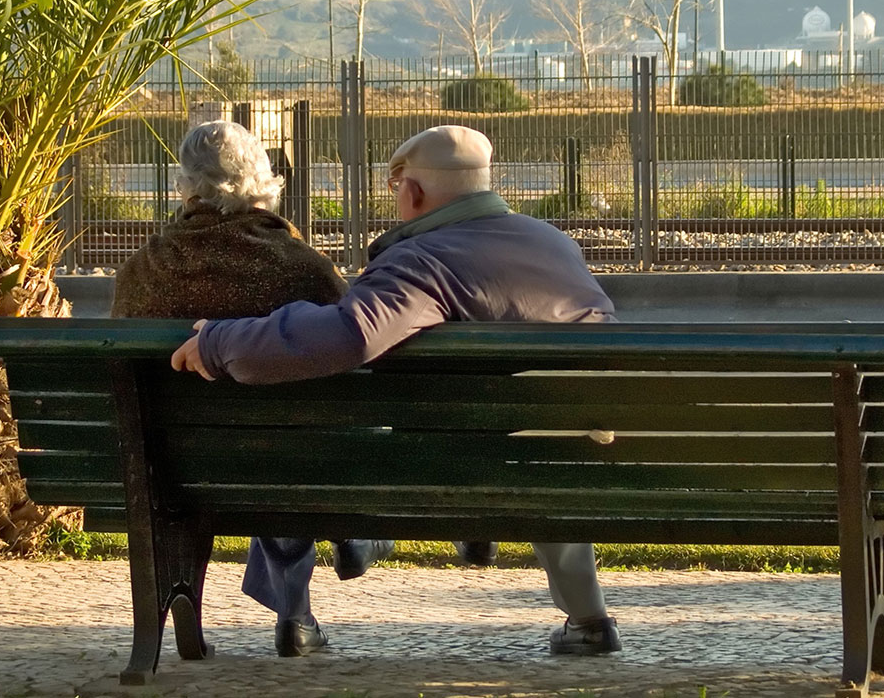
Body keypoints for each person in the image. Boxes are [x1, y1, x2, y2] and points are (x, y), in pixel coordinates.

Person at [171, 124, 622, 655]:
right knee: (542, 435)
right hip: (572, 455)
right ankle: (590, 620)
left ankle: (365, 536)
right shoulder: (554, 243)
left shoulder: (422, 260)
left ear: (412, 192)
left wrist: (220, 341)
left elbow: (351, 334)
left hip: (463, 463)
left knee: (352, 428)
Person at [111, 120, 393, 657]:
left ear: (185, 186)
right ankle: (306, 599)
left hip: (172, 469)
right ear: (263, 180)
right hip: (292, 458)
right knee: (285, 434)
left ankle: (295, 610)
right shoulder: (300, 266)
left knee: (257, 440)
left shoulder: (141, 271)